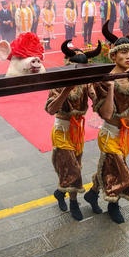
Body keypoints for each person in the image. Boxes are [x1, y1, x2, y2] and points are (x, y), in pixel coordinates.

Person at [84, 21, 129, 224]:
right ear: (113, 56)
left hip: (127, 134)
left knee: (108, 166)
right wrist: (112, 88)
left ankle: (92, 193)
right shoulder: (102, 81)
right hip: (109, 134)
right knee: (120, 171)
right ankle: (114, 205)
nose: (128, 56)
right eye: (123, 53)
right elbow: (105, 115)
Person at [46, 41, 100, 220]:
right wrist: (66, 90)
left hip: (78, 132)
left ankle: (60, 192)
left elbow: (96, 98)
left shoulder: (86, 83)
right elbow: (51, 110)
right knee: (74, 170)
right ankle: (74, 203)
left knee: (71, 167)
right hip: (62, 130)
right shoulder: (58, 82)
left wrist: (96, 93)